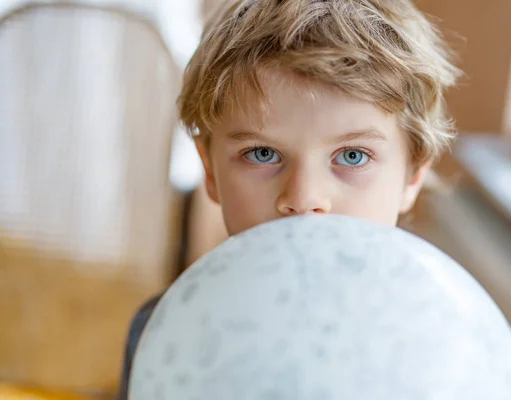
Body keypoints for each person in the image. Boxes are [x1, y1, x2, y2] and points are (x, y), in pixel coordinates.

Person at [118, 0, 460, 397]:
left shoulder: (445, 352)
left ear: (412, 174)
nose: (303, 199)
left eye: (352, 156)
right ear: (209, 170)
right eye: (263, 154)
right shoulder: (166, 334)